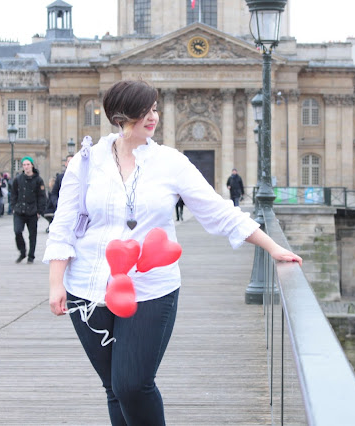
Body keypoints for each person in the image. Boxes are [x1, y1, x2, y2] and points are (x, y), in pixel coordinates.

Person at [45, 80, 302, 426]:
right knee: (113, 387)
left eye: (155, 109)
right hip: (86, 289)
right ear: (122, 115)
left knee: (133, 384)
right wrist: (56, 283)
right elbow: (64, 224)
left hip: (150, 288)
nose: (154, 116)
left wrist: (271, 246)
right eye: (145, 110)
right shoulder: (86, 161)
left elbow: (217, 209)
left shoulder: (170, 162)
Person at [11, 156, 46, 264]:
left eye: (28, 164)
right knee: (17, 231)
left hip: (32, 211)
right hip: (19, 210)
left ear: (32, 165)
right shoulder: (18, 179)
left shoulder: (38, 180)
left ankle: (31, 255)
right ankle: (22, 251)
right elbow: (13, 194)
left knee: (32, 235)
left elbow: (41, 196)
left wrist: (39, 211)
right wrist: (13, 206)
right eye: (24, 165)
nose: (26, 167)